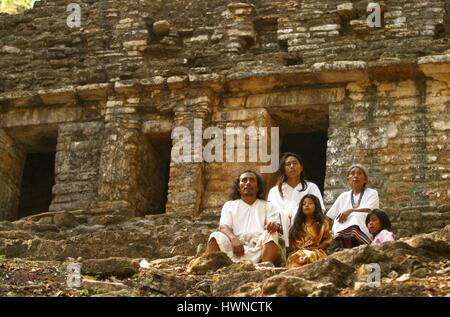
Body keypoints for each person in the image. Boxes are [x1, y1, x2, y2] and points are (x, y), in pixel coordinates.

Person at [206, 169, 282, 265]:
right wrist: (234, 239)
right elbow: (224, 227)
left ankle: (265, 267)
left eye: (252, 180)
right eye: (244, 180)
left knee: (272, 233)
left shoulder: (268, 206)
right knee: (215, 236)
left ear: (258, 187)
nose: (248, 183)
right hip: (235, 247)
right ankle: (210, 269)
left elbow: (275, 224)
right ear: (238, 187)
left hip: (259, 247)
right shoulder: (229, 205)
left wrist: (272, 226)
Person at [267, 152, 325, 248]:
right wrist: (285, 215)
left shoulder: (311, 187)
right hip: (280, 232)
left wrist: (296, 214)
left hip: (306, 230)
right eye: (288, 164)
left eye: (295, 163)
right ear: (283, 169)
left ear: (301, 168)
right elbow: (270, 213)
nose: (292, 166)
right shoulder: (274, 191)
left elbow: (320, 210)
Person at [326, 164, 379, 248]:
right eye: (352, 173)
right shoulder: (343, 196)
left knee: (355, 215)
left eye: (359, 173)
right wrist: (325, 231)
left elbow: (370, 210)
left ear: (365, 179)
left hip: (364, 228)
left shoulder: (372, 193)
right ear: (348, 180)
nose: (355, 176)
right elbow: (329, 217)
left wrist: (350, 211)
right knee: (338, 220)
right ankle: (342, 243)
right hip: (341, 232)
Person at [287, 194, 332, 268]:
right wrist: (301, 249)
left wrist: (315, 248)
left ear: (316, 206)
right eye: (304, 204)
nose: (306, 205)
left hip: (316, 252)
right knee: (293, 258)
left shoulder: (323, 223)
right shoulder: (297, 225)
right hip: (299, 253)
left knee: (309, 256)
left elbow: (327, 241)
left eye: (310, 203)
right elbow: (293, 244)